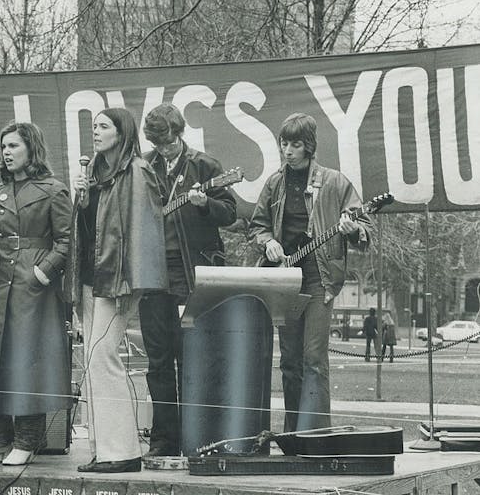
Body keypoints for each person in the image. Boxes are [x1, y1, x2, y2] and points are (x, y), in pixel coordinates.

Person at [248, 112, 371, 432]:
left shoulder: (335, 181)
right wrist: (268, 243)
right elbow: (256, 227)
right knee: (289, 361)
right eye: (284, 143)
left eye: (295, 144)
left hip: (319, 278)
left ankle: (315, 435)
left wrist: (351, 228)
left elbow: (364, 230)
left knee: (313, 357)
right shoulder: (275, 182)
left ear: (309, 147)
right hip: (284, 276)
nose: (287, 150)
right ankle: (293, 434)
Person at [70, 107, 168, 474]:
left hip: (117, 280)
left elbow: (144, 231)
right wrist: (79, 201)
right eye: (93, 125)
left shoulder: (137, 172)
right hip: (92, 278)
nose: (95, 131)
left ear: (122, 132)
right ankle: (105, 447)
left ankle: (122, 451)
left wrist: (133, 283)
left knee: (102, 357)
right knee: (93, 362)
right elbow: (86, 230)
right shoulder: (95, 174)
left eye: (103, 126)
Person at [0, 121, 73, 466]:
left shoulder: (53, 190)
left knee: (28, 362)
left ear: (32, 148)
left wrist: (42, 274)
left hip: (33, 285)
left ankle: (27, 441)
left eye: (13, 146)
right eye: (3, 147)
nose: (6, 152)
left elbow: (66, 241)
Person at [138, 103, 237, 457]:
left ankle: (197, 437)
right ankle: (164, 440)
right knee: (158, 359)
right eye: (158, 143)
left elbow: (231, 213)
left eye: (168, 142)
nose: (164, 149)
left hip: (188, 272)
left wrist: (203, 204)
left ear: (180, 133)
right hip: (151, 274)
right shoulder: (143, 166)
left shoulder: (204, 165)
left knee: (190, 357)